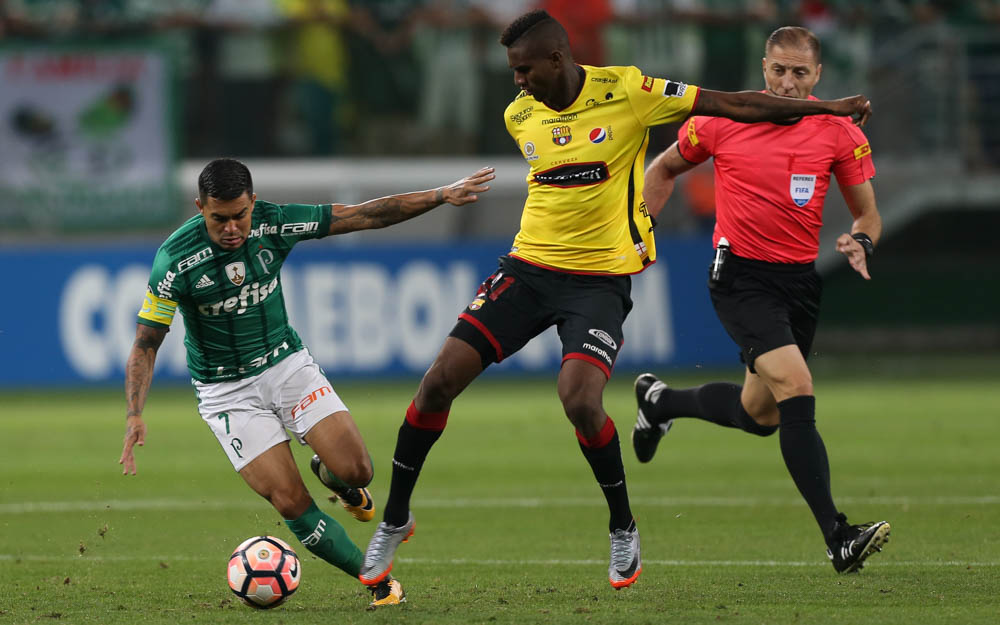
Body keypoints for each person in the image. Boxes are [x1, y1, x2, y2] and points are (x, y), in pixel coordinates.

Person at [358, 9, 876, 592]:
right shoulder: (518, 116)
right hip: (528, 270)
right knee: (437, 382)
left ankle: (622, 525)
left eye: (523, 69)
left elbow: (736, 105)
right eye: (512, 71)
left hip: (599, 283)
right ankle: (396, 518)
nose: (516, 81)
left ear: (557, 58)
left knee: (578, 399)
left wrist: (827, 107)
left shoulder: (628, 90)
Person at [118, 157, 494, 608]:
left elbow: (365, 215)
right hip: (227, 393)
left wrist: (439, 194)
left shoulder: (275, 223)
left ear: (253, 202)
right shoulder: (174, 261)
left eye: (241, 214)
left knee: (358, 470)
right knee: (290, 500)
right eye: (219, 218)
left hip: (286, 366)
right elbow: (146, 343)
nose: (233, 227)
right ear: (200, 208)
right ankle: (374, 579)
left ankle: (332, 474)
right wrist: (135, 414)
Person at [631, 26, 890, 574]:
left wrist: (860, 240)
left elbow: (868, 214)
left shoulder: (839, 130)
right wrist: (642, 228)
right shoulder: (724, 117)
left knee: (761, 413)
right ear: (763, 66)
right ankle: (837, 537)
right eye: (778, 70)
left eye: (800, 73)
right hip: (740, 278)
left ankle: (659, 403)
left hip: (799, 284)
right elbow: (663, 167)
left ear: (818, 75)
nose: (788, 83)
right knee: (797, 387)